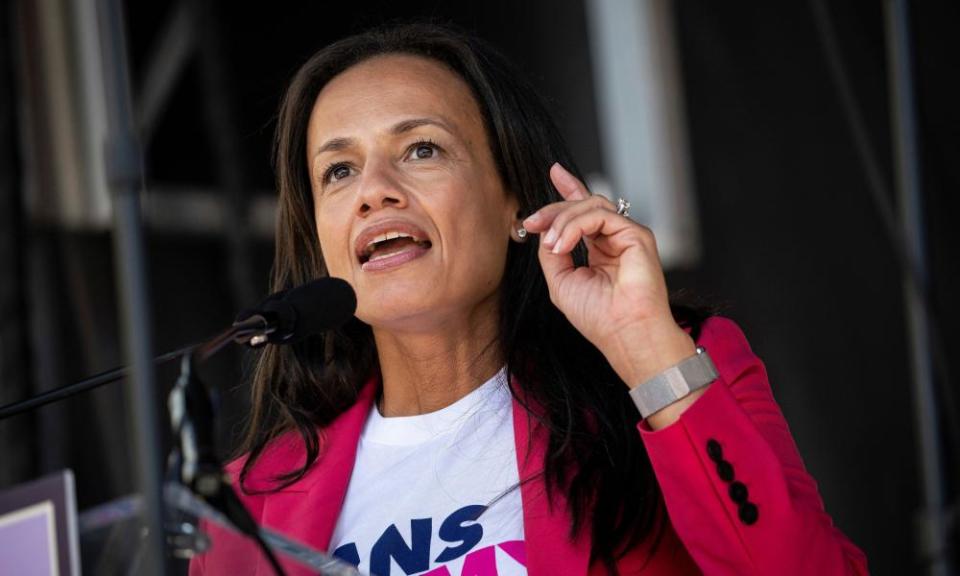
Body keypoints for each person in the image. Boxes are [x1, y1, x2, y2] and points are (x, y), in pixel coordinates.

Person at [191, 22, 867, 576]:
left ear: (515, 197)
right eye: (339, 170)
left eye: (421, 149)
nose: (374, 189)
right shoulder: (249, 506)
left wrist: (643, 348)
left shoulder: (670, 372)